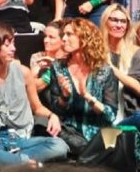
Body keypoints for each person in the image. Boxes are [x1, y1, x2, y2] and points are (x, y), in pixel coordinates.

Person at [0, 23, 69, 169]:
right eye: (7, 45)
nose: (13, 48)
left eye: (13, 43)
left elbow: (37, 107)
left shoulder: (23, 72)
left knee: (59, 146)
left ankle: (10, 162)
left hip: (22, 139)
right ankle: (23, 164)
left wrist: (52, 116)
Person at [49, 18, 119, 155]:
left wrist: (88, 97)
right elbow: (56, 110)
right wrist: (64, 97)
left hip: (99, 132)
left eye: (69, 34)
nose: (64, 38)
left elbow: (110, 116)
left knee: (116, 145)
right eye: (63, 34)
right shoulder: (58, 67)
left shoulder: (103, 70)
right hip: (70, 132)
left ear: (85, 38)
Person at [99, 5, 140, 130]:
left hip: (128, 116)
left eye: (123, 21)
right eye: (114, 20)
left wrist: (110, 68)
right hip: (100, 115)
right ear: (105, 22)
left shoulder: (136, 52)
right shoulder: (96, 51)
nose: (119, 25)